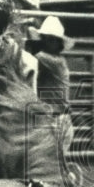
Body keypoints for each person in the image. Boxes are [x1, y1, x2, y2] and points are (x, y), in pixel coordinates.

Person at [26, 16, 74, 154]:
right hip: (53, 119)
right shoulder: (53, 60)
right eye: (46, 38)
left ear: (58, 43)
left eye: (51, 39)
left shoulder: (53, 61)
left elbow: (31, 51)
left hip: (57, 121)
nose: (47, 42)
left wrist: (31, 25)